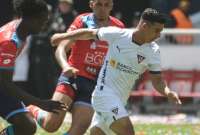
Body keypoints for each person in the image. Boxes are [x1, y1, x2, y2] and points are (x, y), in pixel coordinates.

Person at [51, 8, 182, 135]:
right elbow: (89, 33)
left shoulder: (153, 51)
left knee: (97, 133)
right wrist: (63, 36)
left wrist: (168, 92)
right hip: (103, 95)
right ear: (144, 25)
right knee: (127, 131)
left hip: (120, 100)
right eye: (156, 31)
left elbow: (157, 81)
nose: (159, 35)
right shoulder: (119, 34)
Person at [28, 0, 124, 134]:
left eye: (106, 5)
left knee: (79, 129)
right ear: (91, 5)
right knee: (51, 125)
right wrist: (66, 66)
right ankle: (34, 109)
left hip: (94, 84)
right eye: (98, 4)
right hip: (73, 77)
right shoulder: (82, 21)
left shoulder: (118, 27)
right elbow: (61, 48)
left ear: (112, 6)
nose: (102, 8)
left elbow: (120, 57)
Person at [0, 0, 66, 135]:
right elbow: (5, 84)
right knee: (27, 125)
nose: (45, 24)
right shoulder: (9, 41)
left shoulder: (21, 31)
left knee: (27, 126)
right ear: (31, 19)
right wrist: (40, 103)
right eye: (43, 20)